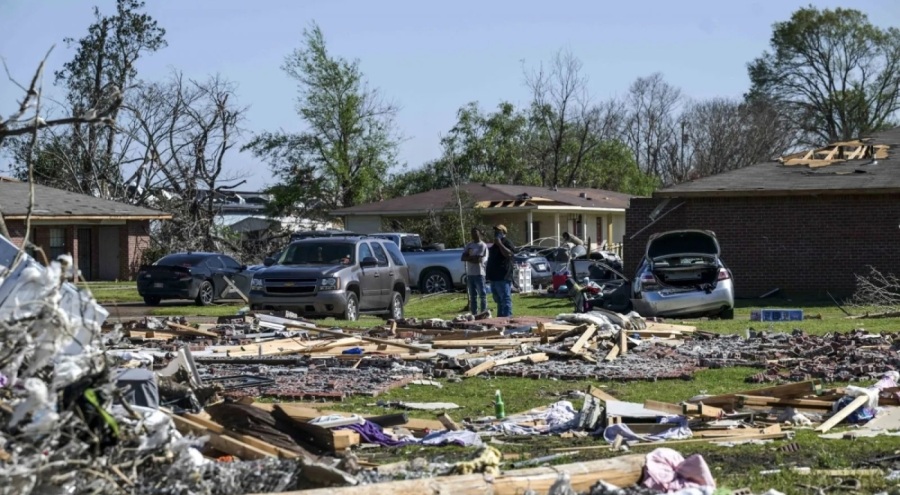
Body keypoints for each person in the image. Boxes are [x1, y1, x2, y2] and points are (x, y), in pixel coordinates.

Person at [486, 224, 516, 317]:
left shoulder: (506, 242)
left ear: (503, 233)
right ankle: (500, 318)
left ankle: (507, 319)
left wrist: (500, 244)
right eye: (495, 231)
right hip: (494, 276)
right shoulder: (494, 244)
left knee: (505, 298)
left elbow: (509, 254)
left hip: (503, 275)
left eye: (498, 231)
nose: (496, 233)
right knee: (498, 300)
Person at [461, 227, 488, 315]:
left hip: (479, 273)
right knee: (473, 296)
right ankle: (474, 314)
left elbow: (478, 260)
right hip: (470, 274)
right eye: (472, 233)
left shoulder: (482, 245)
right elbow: (462, 257)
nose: (474, 234)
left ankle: (483, 313)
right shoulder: (469, 245)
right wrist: (472, 257)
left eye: (475, 232)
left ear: (479, 233)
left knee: (482, 295)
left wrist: (469, 257)